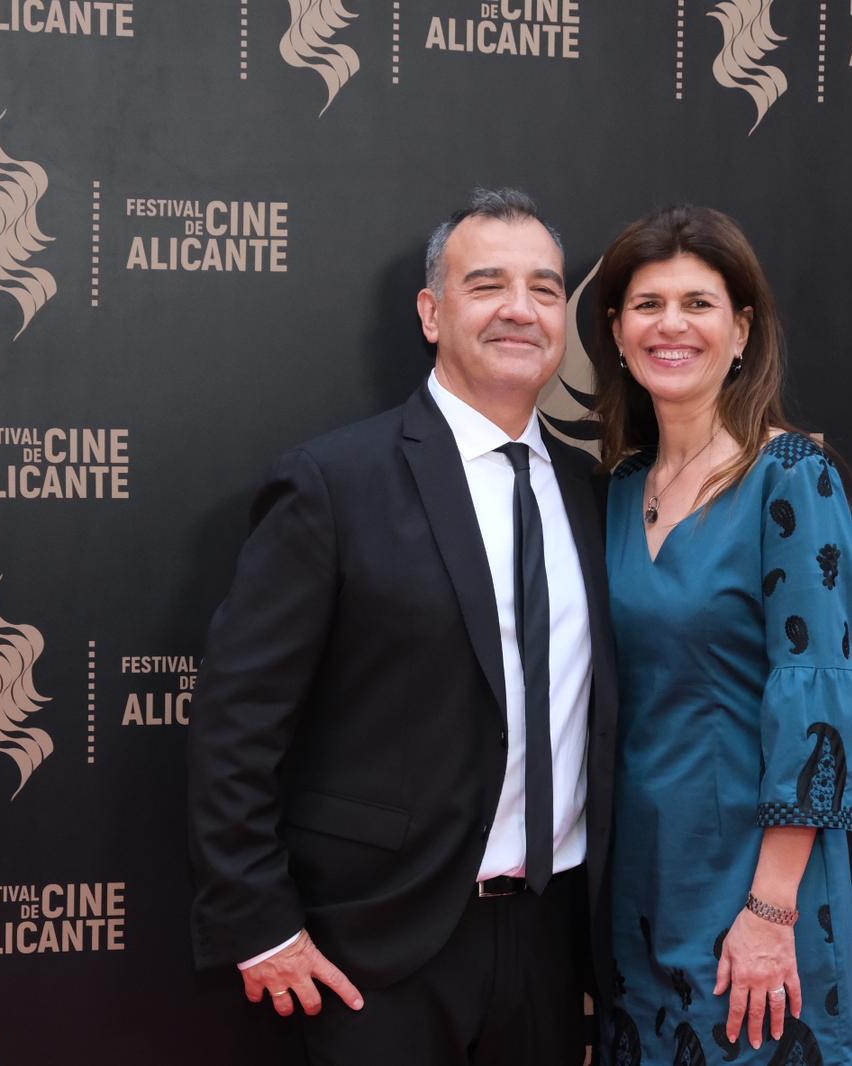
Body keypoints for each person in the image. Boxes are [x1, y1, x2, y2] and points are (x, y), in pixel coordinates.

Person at [187, 188, 617, 1065]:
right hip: (376, 946)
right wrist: (260, 924)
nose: (519, 309)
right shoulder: (332, 483)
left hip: (554, 937)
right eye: (486, 284)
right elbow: (237, 724)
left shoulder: (592, 492)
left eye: (544, 288)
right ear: (431, 312)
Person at [590, 204, 852, 1066]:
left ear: (742, 331)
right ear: (616, 333)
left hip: (751, 878)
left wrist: (771, 910)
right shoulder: (616, 489)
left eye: (698, 303)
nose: (671, 325)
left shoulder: (790, 478)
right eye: (647, 304)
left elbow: (817, 703)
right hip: (637, 876)